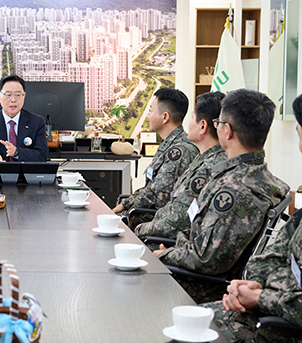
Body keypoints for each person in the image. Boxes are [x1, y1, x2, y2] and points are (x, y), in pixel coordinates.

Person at [154, 89, 289, 303]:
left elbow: (206, 258)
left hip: (199, 286)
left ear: (227, 131)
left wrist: (165, 255)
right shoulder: (257, 176)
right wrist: (177, 247)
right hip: (194, 268)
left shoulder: (235, 189)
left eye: (218, 122)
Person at [202, 93, 302, 343]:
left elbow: (206, 260)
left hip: (277, 327)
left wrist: (260, 297)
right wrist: (250, 287)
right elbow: (273, 256)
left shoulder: (236, 187)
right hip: (266, 308)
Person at [135, 91, 227, 238]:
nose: (188, 124)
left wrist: (139, 229)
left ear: (202, 126)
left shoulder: (208, 166)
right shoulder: (203, 159)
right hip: (164, 230)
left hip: (167, 241)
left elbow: (179, 219)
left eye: (192, 118)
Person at [112, 88, 198, 217]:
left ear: (165, 117)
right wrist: (123, 205)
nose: (148, 115)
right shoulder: (167, 145)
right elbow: (150, 189)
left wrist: (123, 211)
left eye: (151, 110)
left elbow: (157, 197)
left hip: (155, 220)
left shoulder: (180, 151)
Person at [0, 75, 48, 162]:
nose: (13, 100)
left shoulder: (37, 122)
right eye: (8, 95)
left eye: (18, 95)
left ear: (24, 96)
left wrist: (16, 152)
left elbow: (41, 156)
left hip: (25, 174)